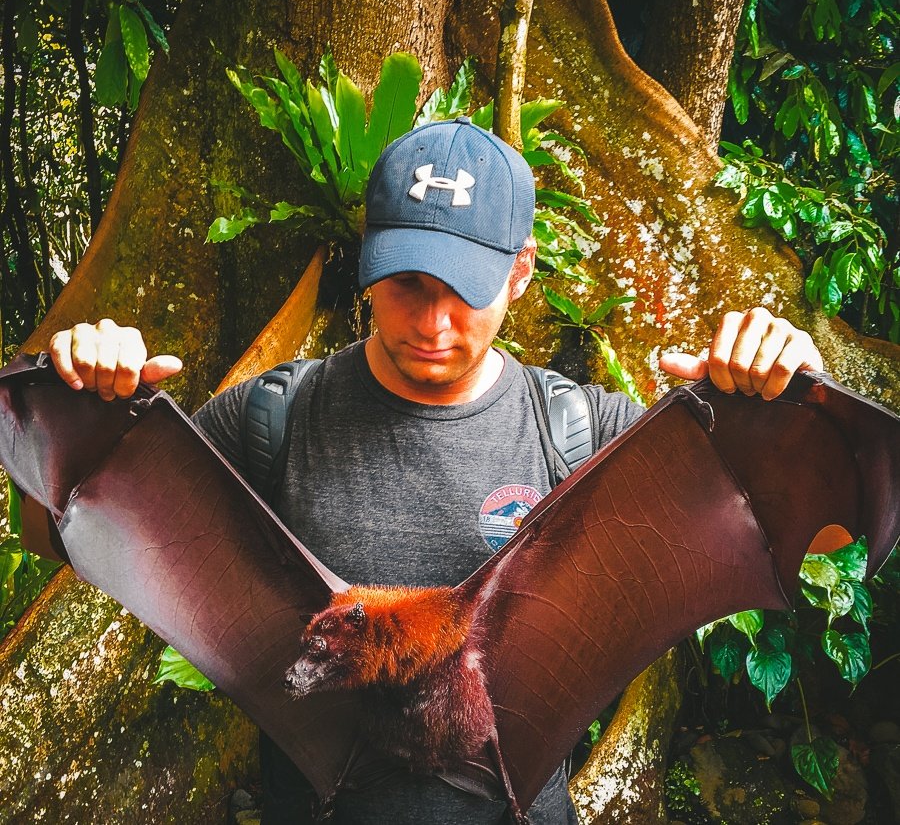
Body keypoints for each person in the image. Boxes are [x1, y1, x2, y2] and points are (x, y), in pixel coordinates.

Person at [26, 117, 824, 823]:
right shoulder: (271, 418)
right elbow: (57, 533)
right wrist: (82, 411)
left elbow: (814, 535)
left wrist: (793, 410)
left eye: (465, 291)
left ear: (521, 270)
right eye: (407, 283)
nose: (433, 323)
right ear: (369, 256)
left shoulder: (580, 433)